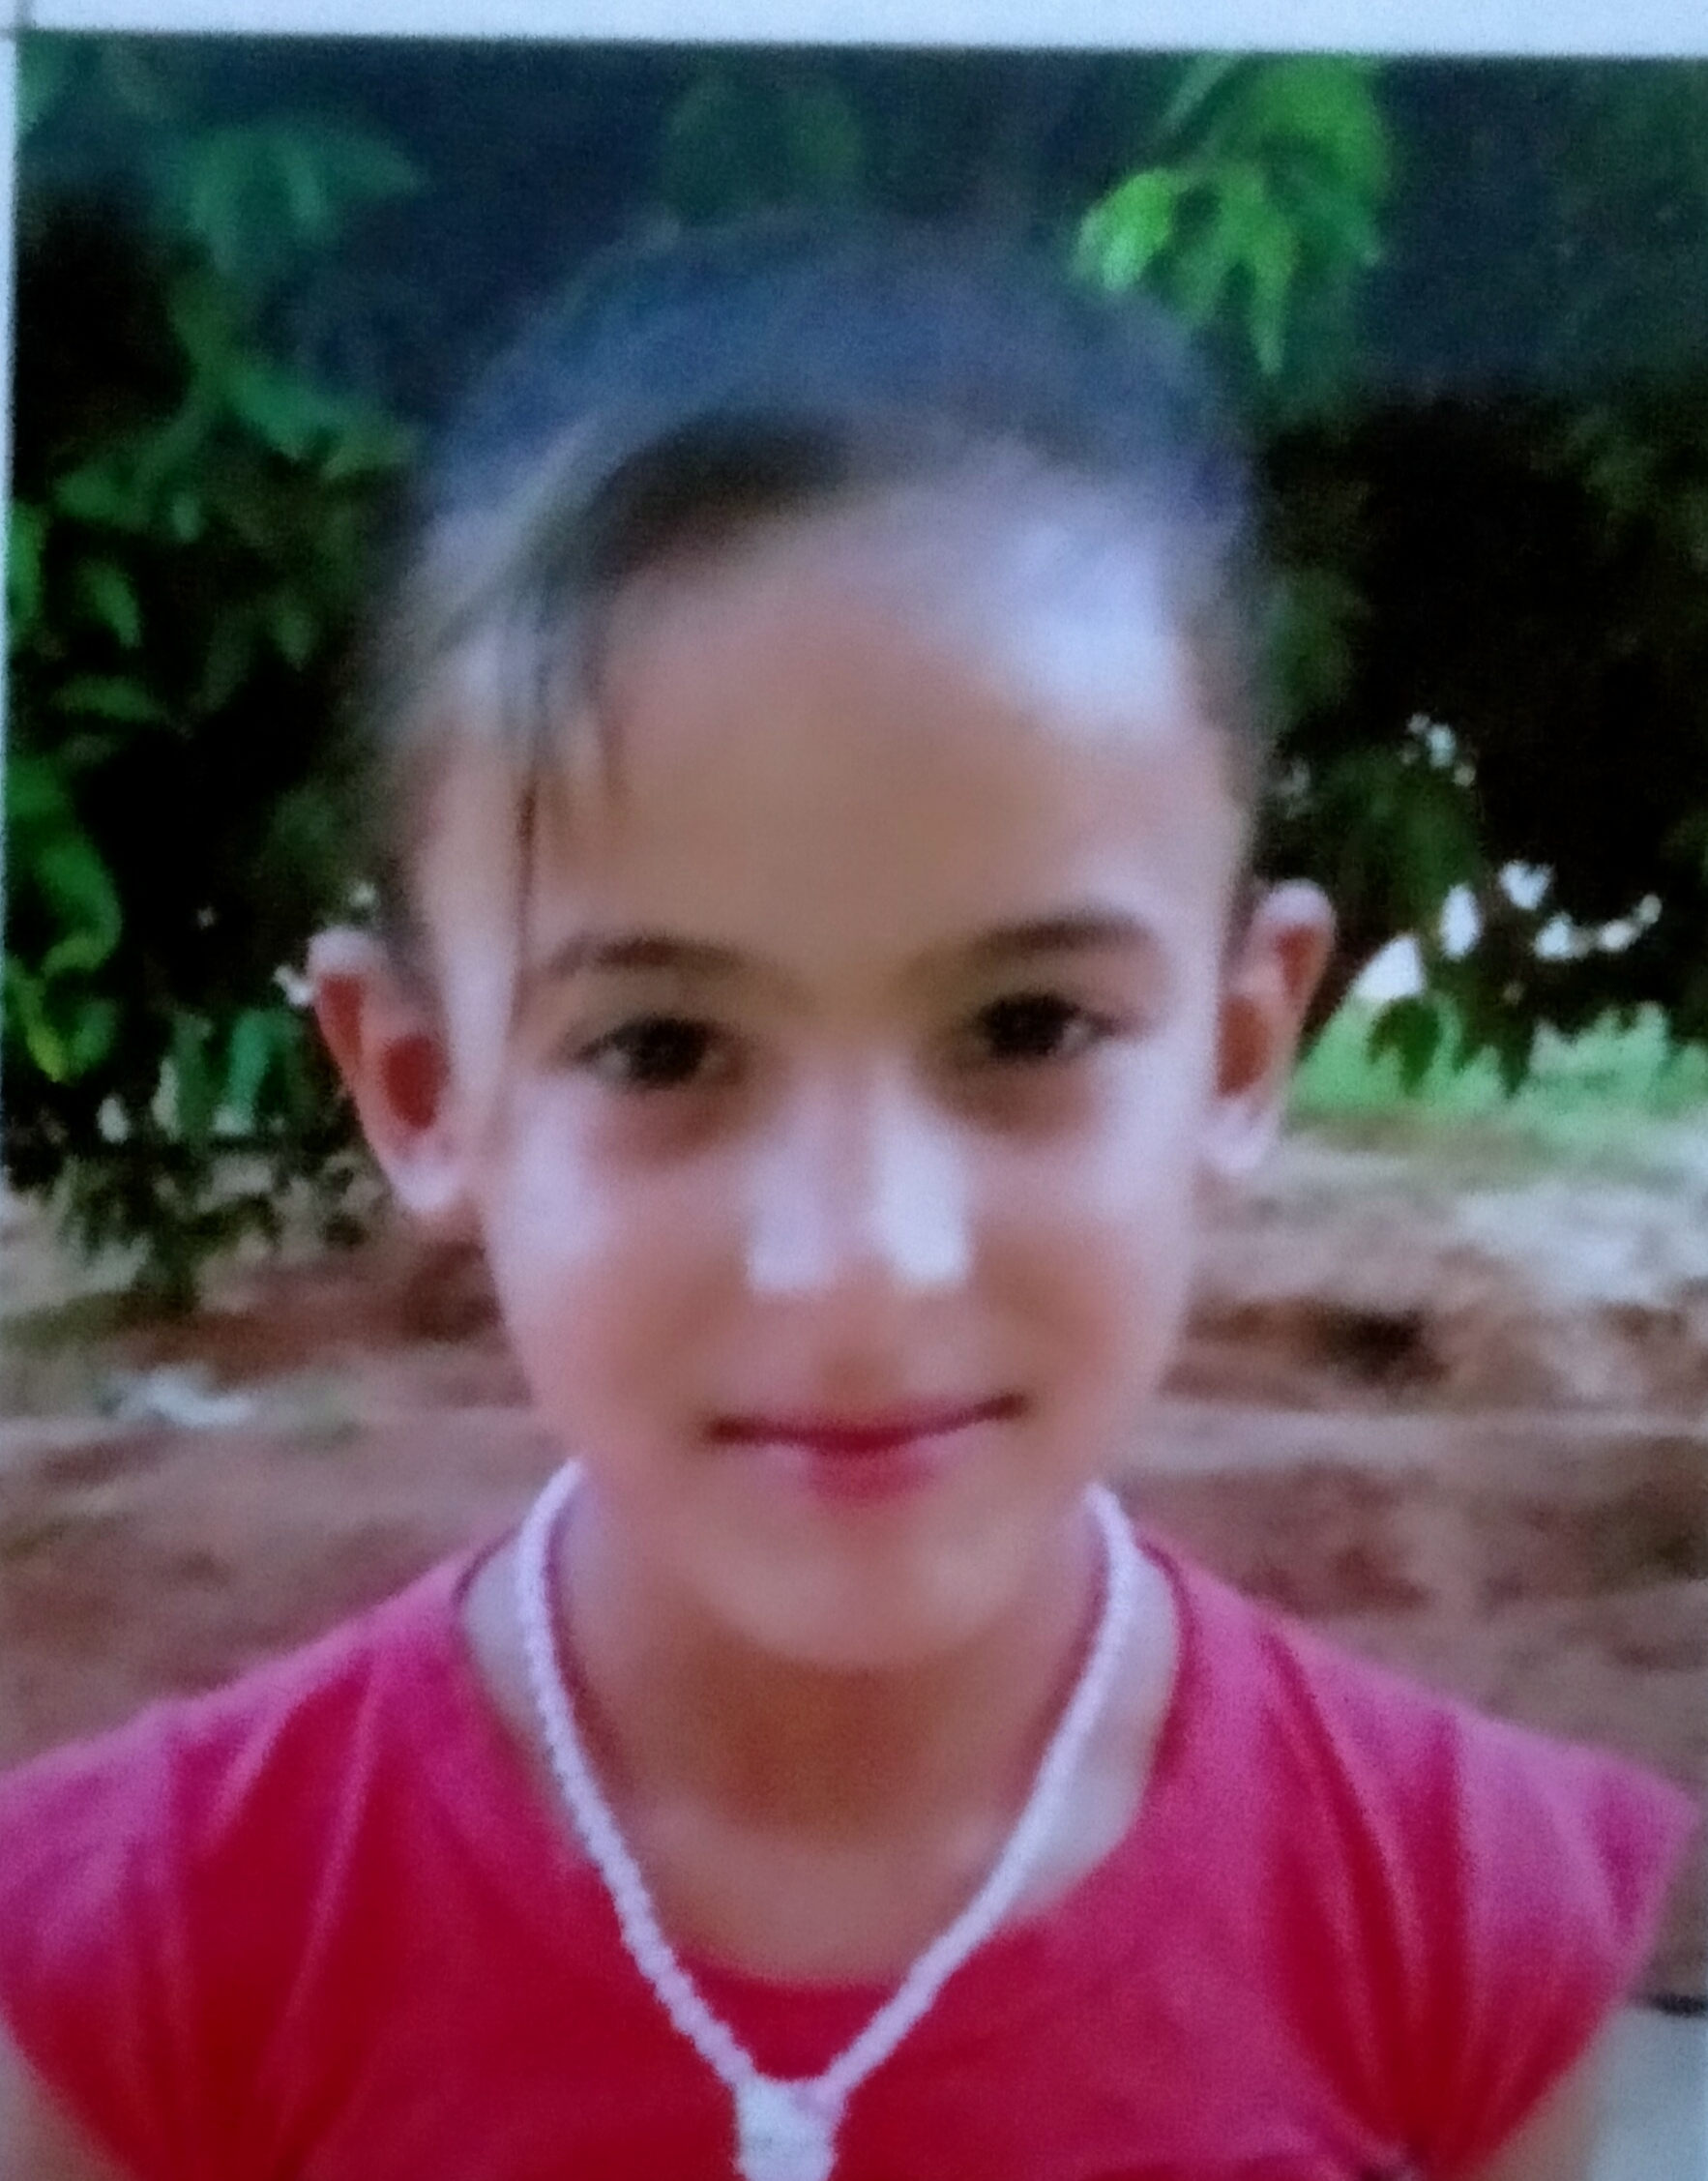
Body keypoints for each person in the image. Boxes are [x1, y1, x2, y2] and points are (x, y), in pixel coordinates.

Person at [0, 217, 1693, 2181]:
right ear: (421, 1086)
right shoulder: (143, 1980)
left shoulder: (1460, 1939)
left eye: (1028, 1026)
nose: (861, 1265)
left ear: (1240, 1049)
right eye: (659, 1048)